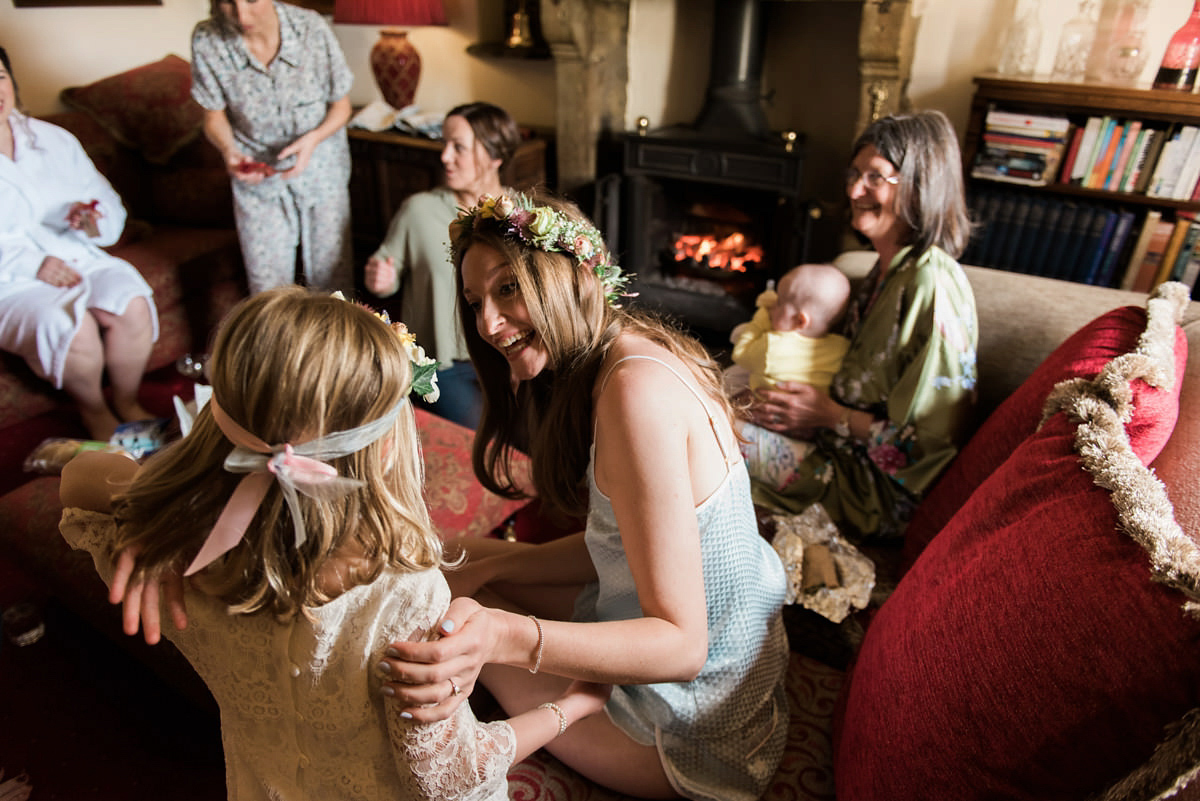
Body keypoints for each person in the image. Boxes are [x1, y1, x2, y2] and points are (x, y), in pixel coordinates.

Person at [59, 286, 609, 800]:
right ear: (387, 449)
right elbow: (445, 777)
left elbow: (80, 477)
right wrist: (570, 708)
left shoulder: (167, 551)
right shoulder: (403, 595)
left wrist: (155, 517)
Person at [376, 190, 790, 801]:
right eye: (475, 302)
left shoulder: (633, 396)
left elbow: (681, 645)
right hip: (735, 690)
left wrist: (501, 633)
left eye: (508, 288)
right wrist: (486, 557)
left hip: (691, 738)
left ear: (569, 275)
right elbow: (621, 544)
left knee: (426, 611)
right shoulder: (638, 350)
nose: (488, 324)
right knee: (455, 564)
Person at [740, 109, 978, 543]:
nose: (853, 190)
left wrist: (830, 415)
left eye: (875, 177)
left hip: (870, 489)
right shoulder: (880, 272)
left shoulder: (933, 285)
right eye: (854, 174)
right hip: (829, 446)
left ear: (920, 185)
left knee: (701, 429)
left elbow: (929, 447)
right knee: (709, 404)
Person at [0, 46, 158, 442]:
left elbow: (108, 206)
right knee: (74, 328)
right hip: (10, 280)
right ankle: (95, 412)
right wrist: (33, 264)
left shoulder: (54, 140)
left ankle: (126, 399)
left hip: (77, 255)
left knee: (132, 302)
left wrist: (91, 221)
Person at [363, 102, 522, 429]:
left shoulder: (526, 215)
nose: (444, 156)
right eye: (444, 144)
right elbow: (384, 274)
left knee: (536, 433)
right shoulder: (418, 211)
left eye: (458, 147)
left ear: (494, 156)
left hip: (511, 354)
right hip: (442, 367)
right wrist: (380, 281)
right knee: (484, 435)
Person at [191, 0, 354, 294]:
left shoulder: (310, 28)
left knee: (332, 283)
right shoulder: (207, 39)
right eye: (228, 2)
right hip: (256, 176)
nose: (241, 14)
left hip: (320, 166)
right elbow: (213, 116)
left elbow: (341, 107)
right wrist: (229, 150)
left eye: (252, 0)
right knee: (267, 292)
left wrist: (313, 139)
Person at [728, 262, 852, 394]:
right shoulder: (842, 348)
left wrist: (761, 316)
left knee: (729, 379)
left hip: (765, 409)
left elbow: (740, 354)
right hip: (813, 412)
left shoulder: (771, 347)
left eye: (779, 302)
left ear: (800, 321)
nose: (773, 304)